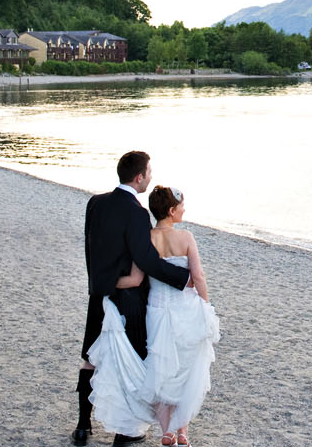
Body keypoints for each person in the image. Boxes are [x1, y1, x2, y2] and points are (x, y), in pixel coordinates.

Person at [77, 151, 191, 446]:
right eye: (149, 172)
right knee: (130, 360)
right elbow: (146, 259)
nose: (151, 177)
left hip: (99, 292)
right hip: (127, 297)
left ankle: (82, 425)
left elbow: (90, 249)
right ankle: (125, 429)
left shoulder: (96, 203)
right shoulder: (137, 212)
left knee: (91, 357)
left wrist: (99, 283)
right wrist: (183, 278)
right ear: (139, 177)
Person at [134, 186, 218, 446]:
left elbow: (140, 277)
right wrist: (206, 307)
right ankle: (182, 431)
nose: (184, 210)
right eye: (181, 206)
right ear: (171, 211)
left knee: (161, 368)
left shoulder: (146, 237)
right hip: (186, 310)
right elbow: (198, 277)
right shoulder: (186, 238)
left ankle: (166, 431)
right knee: (185, 367)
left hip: (157, 309)